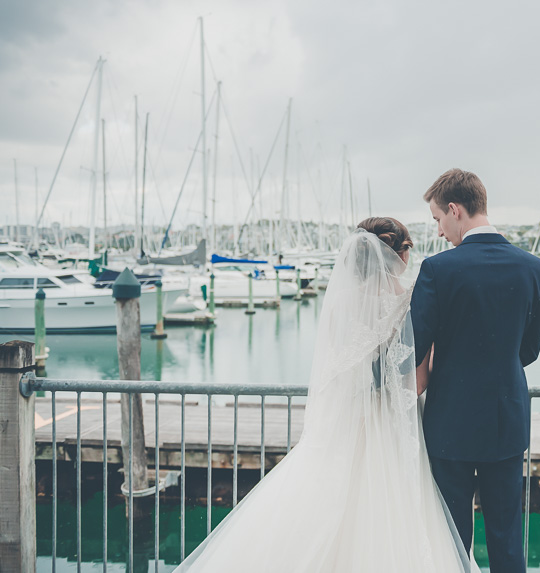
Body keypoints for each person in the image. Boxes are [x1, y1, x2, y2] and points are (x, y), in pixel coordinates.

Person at [174, 217, 476, 573]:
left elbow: (332, 374)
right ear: (402, 253)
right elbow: (418, 383)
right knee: (398, 513)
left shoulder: (340, 302)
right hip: (394, 427)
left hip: (345, 423)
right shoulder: (411, 301)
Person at [411, 169, 540, 573]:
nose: (439, 231)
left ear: (455, 210)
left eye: (438, 219)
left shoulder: (438, 270)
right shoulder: (532, 266)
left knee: (451, 537)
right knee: (506, 536)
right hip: (506, 420)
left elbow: (415, 349)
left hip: (449, 423)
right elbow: (530, 348)